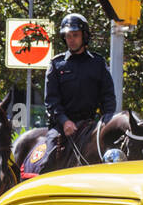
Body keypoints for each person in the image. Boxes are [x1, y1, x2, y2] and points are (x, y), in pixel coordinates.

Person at [35, 13, 115, 172]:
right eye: (68, 36)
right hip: (61, 128)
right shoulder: (56, 64)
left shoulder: (98, 63)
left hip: (91, 125)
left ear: (84, 36)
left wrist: (107, 121)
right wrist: (65, 121)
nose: (71, 39)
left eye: (75, 35)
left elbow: (108, 97)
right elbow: (51, 101)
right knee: (46, 160)